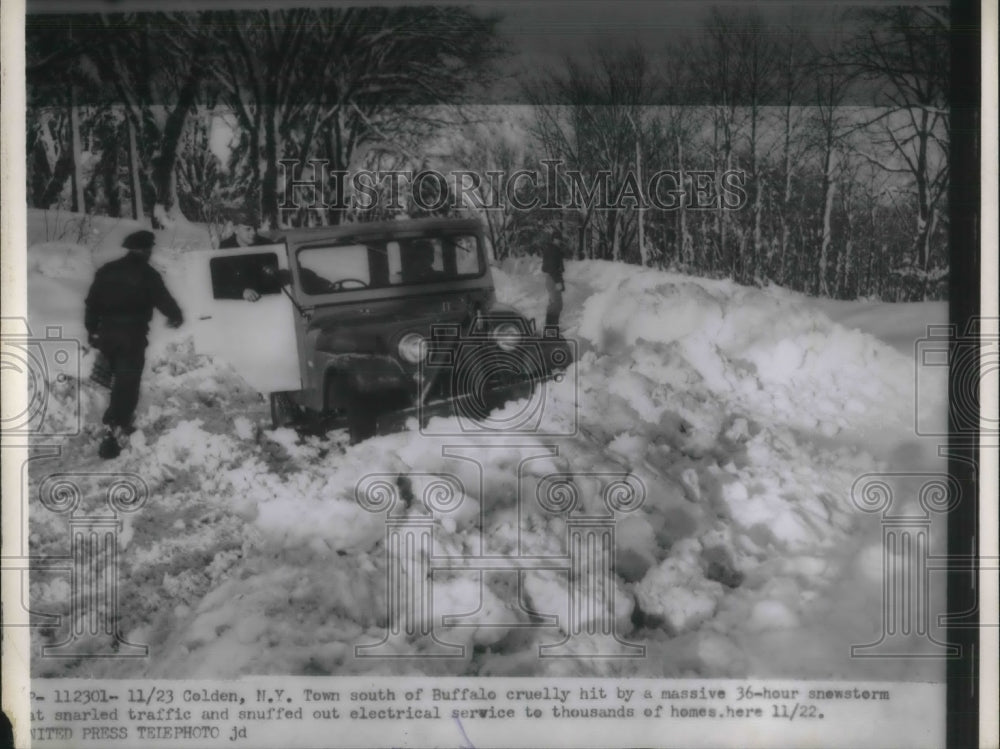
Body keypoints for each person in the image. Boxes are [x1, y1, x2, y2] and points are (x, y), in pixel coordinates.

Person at [85, 230, 183, 458]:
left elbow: (92, 302)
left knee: (113, 380)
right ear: (146, 250)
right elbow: (164, 300)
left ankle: (112, 421)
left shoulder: (106, 271)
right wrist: (176, 315)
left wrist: (92, 330)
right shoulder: (148, 274)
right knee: (127, 383)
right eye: (149, 250)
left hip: (107, 335)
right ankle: (114, 431)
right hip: (132, 336)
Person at [219, 213, 273, 301]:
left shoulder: (267, 245)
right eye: (248, 229)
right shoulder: (224, 250)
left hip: (267, 302)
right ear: (236, 229)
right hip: (238, 308)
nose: (254, 232)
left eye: (255, 228)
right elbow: (218, 285)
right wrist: (241, 292)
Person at [541, 227, 566, 335]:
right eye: (557, 238)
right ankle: (551, 329)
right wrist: (558, 282)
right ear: (553, 239)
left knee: (553, 303)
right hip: (552, 278)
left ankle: (551, 328)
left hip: (552, 278)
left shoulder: (552, 249)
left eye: (559, 238)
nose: (559, 240)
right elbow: (552, 268)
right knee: (557, 304)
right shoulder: (552, 250)